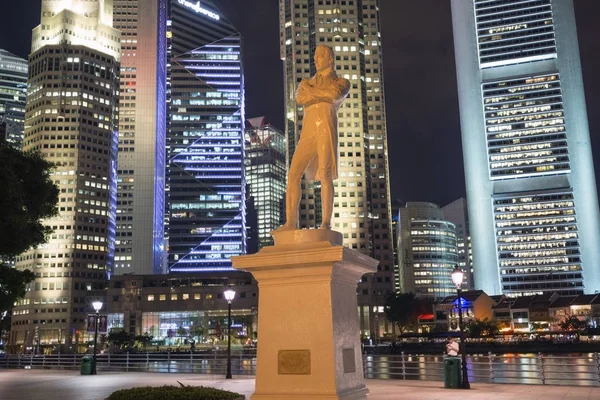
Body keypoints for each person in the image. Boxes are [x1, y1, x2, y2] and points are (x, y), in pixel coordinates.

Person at [273, 45, 350, 232]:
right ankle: (291, 223)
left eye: (320, 56)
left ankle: (326, 223)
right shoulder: (306, 82)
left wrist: (312, 92)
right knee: (293, 175)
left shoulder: (341, 81)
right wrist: (319, 94)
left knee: (325, 174)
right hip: (308, 132)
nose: (316, 59)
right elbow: (300, 99)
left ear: (330, 59)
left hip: (325, 127)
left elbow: (334, 95)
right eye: (314, 56)